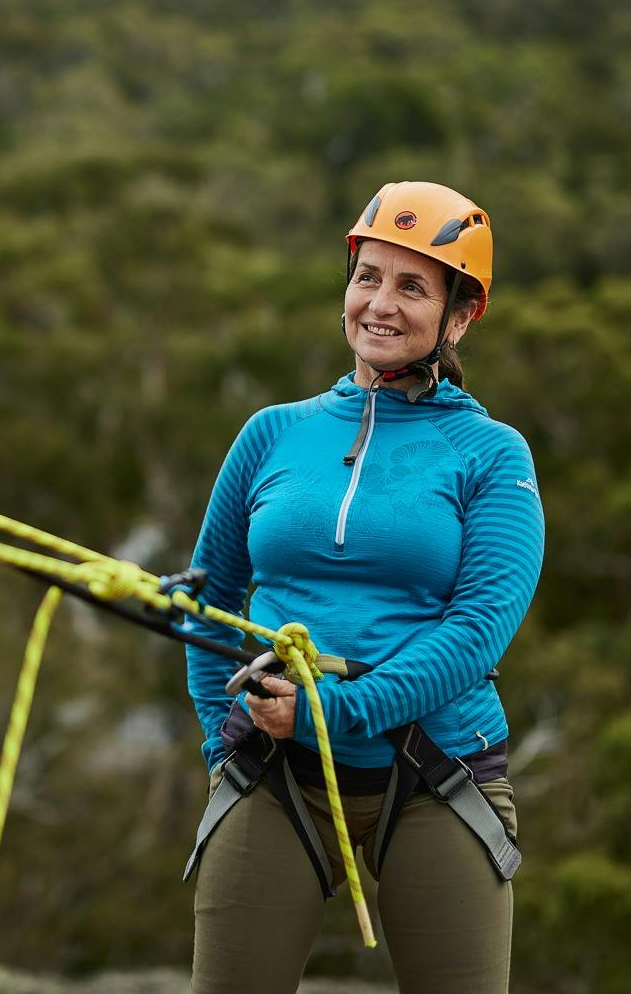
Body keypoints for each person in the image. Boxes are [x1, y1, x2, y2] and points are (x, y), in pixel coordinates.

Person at [181, 181, 544, 994]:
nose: (379, 303)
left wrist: (338, 709)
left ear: (459, 317)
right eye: (367, 277)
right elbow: (207, 599)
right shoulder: (273, 433)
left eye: (411, 286)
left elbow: (478, 629)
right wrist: (222, 737)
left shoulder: (491, 454)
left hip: (437, 772)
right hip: (276, 772)